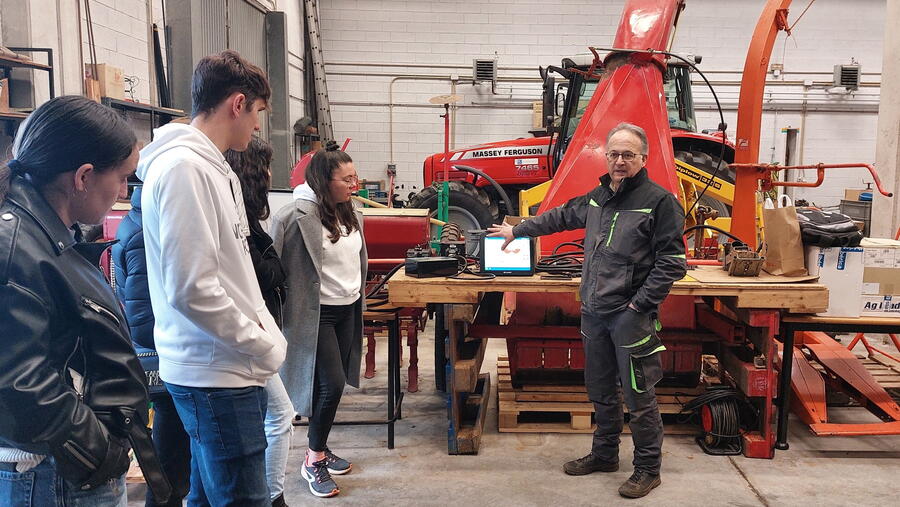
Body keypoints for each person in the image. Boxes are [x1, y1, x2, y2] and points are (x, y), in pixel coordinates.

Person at [488, 122, 687, 499]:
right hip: (594, 310)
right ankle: (605, 454)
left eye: (628, 154)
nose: (619, 161)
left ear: (643, 158)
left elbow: (673, 263)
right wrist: (519, 230)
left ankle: (648, 468)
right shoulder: (599, 196)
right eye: (613, 154)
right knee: (600, 388)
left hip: (630, 316)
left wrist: (638, 305)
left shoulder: (659, 201)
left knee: (638, 394)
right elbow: (560, 216)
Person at [0, 96, 170, 505]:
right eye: (124, 177)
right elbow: (17, 382)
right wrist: (95, 451)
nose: (124, 191)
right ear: (84, 177)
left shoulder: (47, 233)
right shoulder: (16, 249)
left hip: (61, 471)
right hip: (52, 475)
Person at [138, 50, 287, 506]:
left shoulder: (211, 166)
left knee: (205, 496)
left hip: (223, 366)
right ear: (238, 103)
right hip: (217, 372)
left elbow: (227, 267)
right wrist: (260, 343)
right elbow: (192, 289)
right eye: (259, 112)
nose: (258, 125)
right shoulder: (186, 169)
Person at [271, 145, 367, 498]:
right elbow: (272, 265)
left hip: (347, 308)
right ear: (324, 181)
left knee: (329, 386)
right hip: (318, 314)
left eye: (354, 176)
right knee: (331, 385)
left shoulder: (349, 212)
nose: (354, 183)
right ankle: (312, 461)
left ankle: (321, 446)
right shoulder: (295, 217)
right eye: (347, 179)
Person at [112, 180, 192, 506]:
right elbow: (143, 317)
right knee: (171, 469)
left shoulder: (139, 219)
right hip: (162, 356)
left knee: (170, 461)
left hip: (162, 351)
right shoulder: (146, 231)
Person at [225, 138, 294, 507]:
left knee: (276, 415)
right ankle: (273, 496)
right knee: (280, 415)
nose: (269, 175)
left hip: (256, 337)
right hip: (245, 342)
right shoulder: (242, 225)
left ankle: (272, 494)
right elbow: (260, 277)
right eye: (264, 167)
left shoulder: (249, 222)